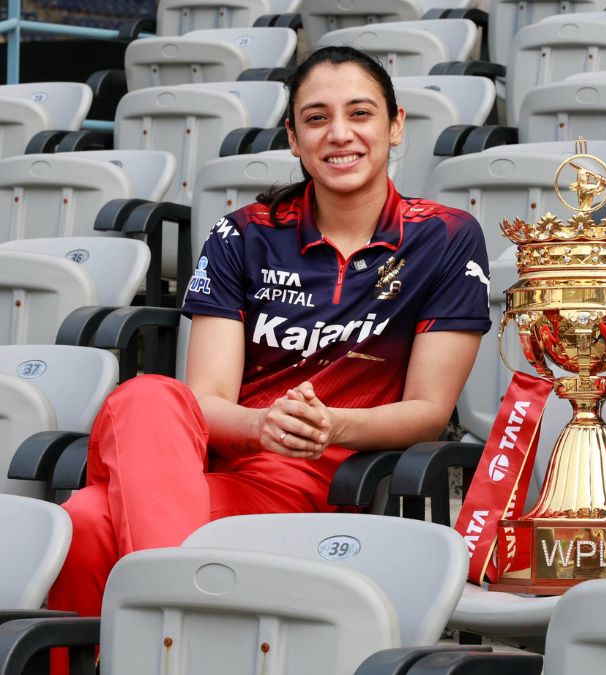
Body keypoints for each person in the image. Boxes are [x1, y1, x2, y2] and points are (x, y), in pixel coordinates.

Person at [47, 45, 491, 634]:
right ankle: (179, 625)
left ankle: (160, 636)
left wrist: (328, 425)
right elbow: (205, 401)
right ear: (293, 136)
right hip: (200, 465)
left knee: (86, 515)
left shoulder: (444, 237)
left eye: (360, 114)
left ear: (395, 124)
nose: (339, 134)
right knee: (148, 394)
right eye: (316, 118)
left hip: (305, 486)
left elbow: (429, 413)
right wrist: (260, 426)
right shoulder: (243, 233)